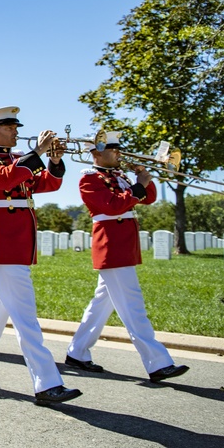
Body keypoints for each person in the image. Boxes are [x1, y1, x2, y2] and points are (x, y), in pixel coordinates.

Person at [0, 106, 82, 406]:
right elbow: (3, 180)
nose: (15, 131)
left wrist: (54, 160)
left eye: (15, 126)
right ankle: (47, 382)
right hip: (3, 243)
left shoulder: (18, 160)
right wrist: (37, 152)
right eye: (9, 127)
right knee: (26, 317)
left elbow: (46, 184)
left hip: (19, 242)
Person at [65, 131, 189, 383]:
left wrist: (142, 176)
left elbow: (149, 198)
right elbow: (113, 205)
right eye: (113, 149)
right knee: (133, 306)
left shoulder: (120, 176)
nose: (119, 153)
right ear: (97, 153)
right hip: (111, 245)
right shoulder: (89, 179)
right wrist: (139, 184)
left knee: (102, 304)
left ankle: (77, 352)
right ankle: (158, 362)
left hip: (125, 244)